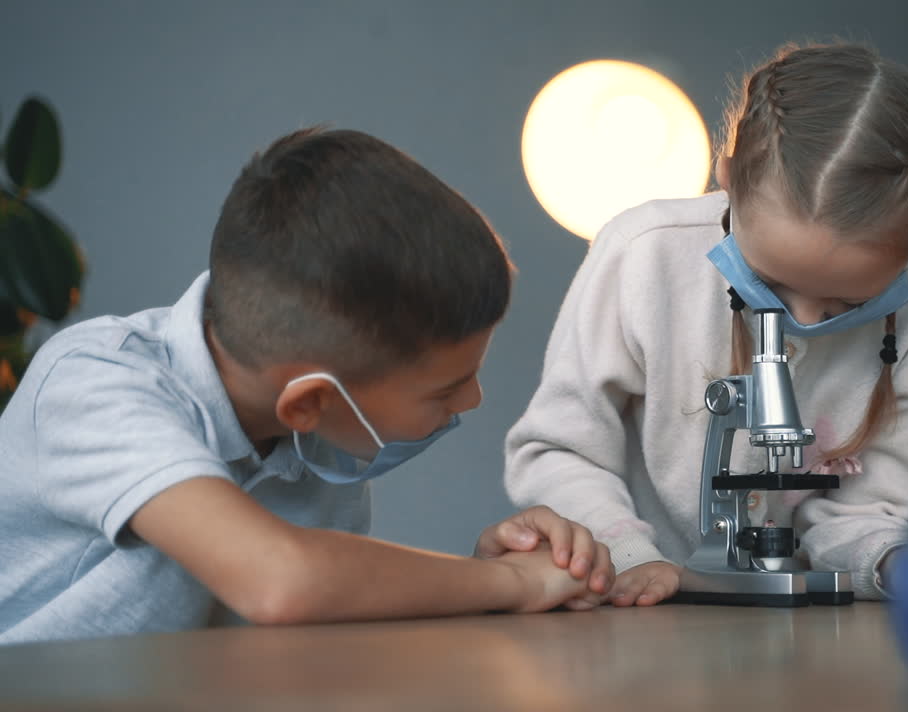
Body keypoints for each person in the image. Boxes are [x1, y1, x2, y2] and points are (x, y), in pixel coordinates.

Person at [0, 128, 612, 644]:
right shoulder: (93, 384)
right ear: (310, 402)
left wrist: (482, 580)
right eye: (444, 389)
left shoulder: (315, 442)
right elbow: (281, 582)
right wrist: (513, 584)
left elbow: (316, 611)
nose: (472, 400)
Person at [506, 42, 908, 605]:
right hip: (635, 616)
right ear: (728, 174)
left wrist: (897, 562)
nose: (801, 317)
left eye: (842, 301)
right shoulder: (643, 256)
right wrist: (627, 555)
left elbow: (881, 511)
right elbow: (560, 450)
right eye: (771, 282)